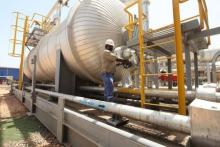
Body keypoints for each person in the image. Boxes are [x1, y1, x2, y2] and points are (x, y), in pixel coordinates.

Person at [101, 39, 130, 127]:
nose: (112, 48)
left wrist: (120, 64)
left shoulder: (108, 55)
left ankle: (109, 105)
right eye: (112, 46)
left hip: (109, 74)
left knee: (109, 90)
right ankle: (109, 106)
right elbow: (115, 58)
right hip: (107, 74)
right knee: (109, 91)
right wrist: (124, 61)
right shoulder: (106, 52)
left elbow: (113, 63)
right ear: (108, 46)